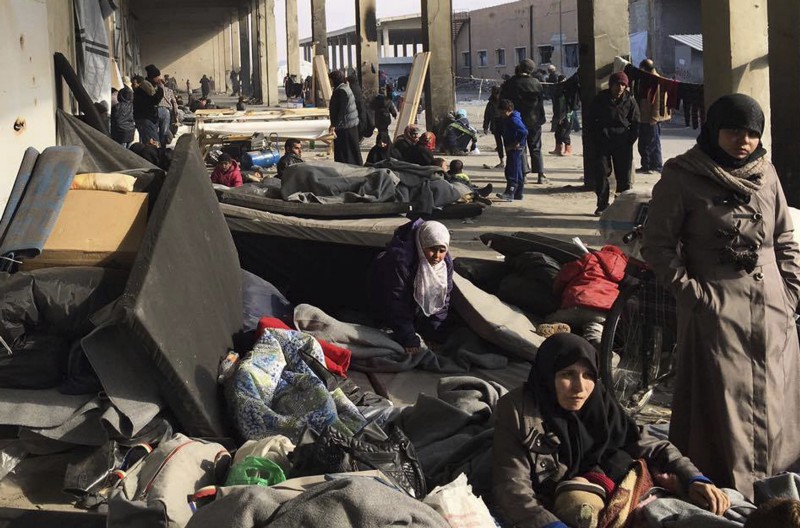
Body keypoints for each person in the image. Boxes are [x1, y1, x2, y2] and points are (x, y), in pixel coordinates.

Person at [641, 93, 800, 500]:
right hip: (714, 304)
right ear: (714, 130)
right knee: (724, 400)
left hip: (772, 307)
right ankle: (726, 491)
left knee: (776, 397)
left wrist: (791, 292)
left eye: (751, 133)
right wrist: (693, 295)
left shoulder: (766, 173)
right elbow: (657, 244)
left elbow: (785, 237)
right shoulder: (683, 175)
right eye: (733, 131)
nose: (743, 141)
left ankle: (778, 492)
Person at [493, 333, 731, 528]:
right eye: (567, 374)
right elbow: (512, 486)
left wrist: (693, 478)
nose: (580, 387)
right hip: (560, 491)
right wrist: (548, 525)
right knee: (579, 510)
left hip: (605, 474)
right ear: (547, 375)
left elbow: (650, 444)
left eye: (588, 376)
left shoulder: (599, 402)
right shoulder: (517, 411)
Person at [368, 220, 453, 355]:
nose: (437, 256)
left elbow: (443, 299)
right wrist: (408, 338)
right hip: (385, 299)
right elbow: (397, 300)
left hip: (413, 306)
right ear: (421, 245)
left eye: (442, 250)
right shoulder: (400, 261)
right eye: (432, 249)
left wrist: (434, 335)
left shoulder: (445, 264)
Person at [539, 245, 627, 347]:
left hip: (578, 303)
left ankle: (558, 328)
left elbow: (567, 273)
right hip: (602, 312)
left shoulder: (591, 258)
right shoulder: (623, 270)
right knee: (595, 328)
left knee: (553, 318)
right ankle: (596, 342)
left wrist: (556, 289)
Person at [589, 71, 640, 216]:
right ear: (611, 85)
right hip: (603, 142)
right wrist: (596, 138)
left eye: (624, 85)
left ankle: (623, 205)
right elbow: (591, 120)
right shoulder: (600, 99)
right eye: (618, 84)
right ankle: (602, 204)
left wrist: (630, 140)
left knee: (624, 175)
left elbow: (636, 122)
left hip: (622, 142)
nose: (621, 87)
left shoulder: (630, 100)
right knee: (601, 173)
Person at [501, 59, 548, 184]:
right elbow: (541, 102)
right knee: (536, 147)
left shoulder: (510, 83)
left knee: (520, 147)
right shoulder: (536, 83)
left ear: (519, 68)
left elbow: (503, 102)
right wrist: (541, 117)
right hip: (534, 119)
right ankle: (540, 175)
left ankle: (524, 174)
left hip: (516, 120)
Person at [636, 59, 671, 174]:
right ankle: (646, 165)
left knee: (653, 143)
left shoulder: (656, 81)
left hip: (651, 118)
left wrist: (654, 117)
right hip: (643, 116)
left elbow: (659, 101)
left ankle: (656, 165)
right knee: (643, 143)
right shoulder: (645, 80)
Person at [328, 70, 362, 165]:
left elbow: (341, 110)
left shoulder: (341, 91)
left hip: (345, 127)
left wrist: (334, 125)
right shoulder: (345, 87)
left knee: (346, 152)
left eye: (331, 79)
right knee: (351, 150)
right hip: (349, 125)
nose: (330, 81)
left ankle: (347, 169)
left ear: (335, 79)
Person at [496, 99, 528, 201]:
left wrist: (516, 142)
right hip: (515, 147)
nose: (501, 115)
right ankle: (519, 193)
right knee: (518, 169)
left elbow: (524, 131)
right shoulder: (511, 117)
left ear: (509, 110)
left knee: (511, 169)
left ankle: (510, 192)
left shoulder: (514, 119)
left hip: (514, 148)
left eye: (503, 112)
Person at [131, 73, 163, 146]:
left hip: (144, 120)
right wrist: (160, 88)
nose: (132, 86)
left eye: (133, 84)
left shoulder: (140, 94)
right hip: (145, 121)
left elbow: (154, 100)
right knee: (152, 144)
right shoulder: (140, 94)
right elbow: (155, 100)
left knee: (150, 143)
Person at [153, 65, 179, 151]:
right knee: (164, 131)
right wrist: (176, 116)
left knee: (155, 130)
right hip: (166, 111)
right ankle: (162, 149)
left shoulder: (154, 90)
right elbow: (174, 104)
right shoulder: (169, 91)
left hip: (155, 110)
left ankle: (155, 148)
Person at [550, 74, 574, 156]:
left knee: (564, 133)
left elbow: (564, 106)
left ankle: (568, 150)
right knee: (557, 133)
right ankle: (558, 149)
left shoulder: (566, 92)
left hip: (567, 114)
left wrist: (561, 117)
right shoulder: (558, 91)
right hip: (558, 114)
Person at [482, 85, 505, 169]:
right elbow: (487, 115)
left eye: (498, 93)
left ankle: (509, 161)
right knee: (499, 144)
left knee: (507, 143)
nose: (496, 95)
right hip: (495, 125)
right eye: (495, 93)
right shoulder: (490, 103)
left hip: (505, 125)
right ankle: (502, 161)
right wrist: (485, 126)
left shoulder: (505, 102)